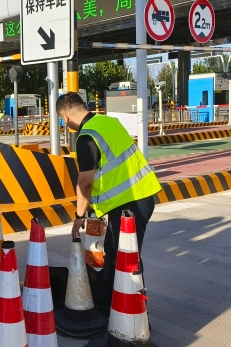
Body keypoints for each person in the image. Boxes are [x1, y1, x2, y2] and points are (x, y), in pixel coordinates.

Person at [56, 92, 161, 317]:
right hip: (141, 195)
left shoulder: (86, 137)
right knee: (121, 254)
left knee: (123, 257)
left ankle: (124, 311)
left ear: (64, 118)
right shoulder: (108, 122)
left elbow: (84, 182)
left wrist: (79, 215)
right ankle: (114, 302)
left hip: (130, 203)